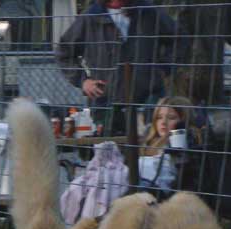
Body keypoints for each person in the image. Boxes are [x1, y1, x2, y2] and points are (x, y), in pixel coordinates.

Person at [56, 0, 189, 135]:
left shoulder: (149, 12)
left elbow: (179, 38)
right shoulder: (91, 17)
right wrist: (83, 81)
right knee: (108, 151)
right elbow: (64, 52)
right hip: (105, 101)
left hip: (148, 98)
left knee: (151, 149)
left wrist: (163, 68)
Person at [138, 96, 202, 199]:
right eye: (159, 117)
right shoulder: (150, 142)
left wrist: (179, 132)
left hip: (162, 194)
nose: (163, 122)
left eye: (171, 118)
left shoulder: (181, 139)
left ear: (184, 120)